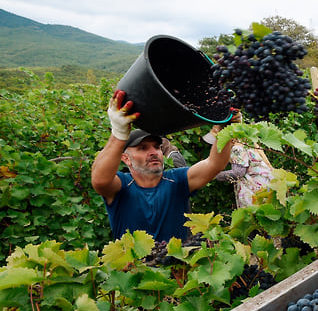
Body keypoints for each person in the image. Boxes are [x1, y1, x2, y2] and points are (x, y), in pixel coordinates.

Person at [91, 89, 234, 242]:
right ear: (126, 158)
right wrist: (119, 133)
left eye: (157, 147)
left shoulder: (177, 180)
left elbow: (215, 163)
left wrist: (225, 127)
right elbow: (100, 181)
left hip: (177, 264)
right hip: (135, 266)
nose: (154, 152)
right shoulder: (122, 185)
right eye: (143, 148)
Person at [206, 114, 276, 208]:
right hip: (266, 189)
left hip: (255, 191)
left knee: (253, 218)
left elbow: (238, 172)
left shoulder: (237, 148)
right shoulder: (247, 142)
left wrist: (213, 175)